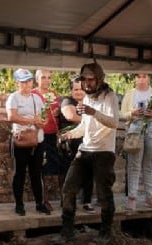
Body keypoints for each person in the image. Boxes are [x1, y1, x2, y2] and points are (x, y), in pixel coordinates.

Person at [55, 62, 120, 245]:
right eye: (84, 79)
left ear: (99, 79)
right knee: (68, 189)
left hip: (104, 152)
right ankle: (67, 231)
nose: (87, 83)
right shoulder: (88, 98)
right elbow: (85, 127)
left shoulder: (109, 97)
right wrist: (70, 134)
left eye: (90, 80)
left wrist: (93, 112)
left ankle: (105, 233)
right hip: (85, 150)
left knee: (103, 194)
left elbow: (114, 123)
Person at [119, 73, 152, 211]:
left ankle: (150, 198)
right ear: (135, 78)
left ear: (149, 78)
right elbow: (122, 114)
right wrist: (132, 113)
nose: (141, 79)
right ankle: (132, 198)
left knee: (149, 166)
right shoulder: (130, 94)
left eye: (144, 76)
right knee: (134, 165)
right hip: (135, 129)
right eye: (138, 76)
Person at [6, 68, 49, 216]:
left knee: (36, 173)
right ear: (17, 82)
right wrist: (32, 120)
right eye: (23, 82)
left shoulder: (37, 98)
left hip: (38, 140)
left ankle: (40, 203)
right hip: (21, 141)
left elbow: (44, 117)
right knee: (19, 173)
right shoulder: (14, 98)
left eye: (29, 81)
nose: (27, 84)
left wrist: (43, 122)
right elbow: (12, 117)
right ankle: (19, 204)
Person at [59, 76, 94, 211]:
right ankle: (68, 202)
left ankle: (87, 201)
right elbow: (70, 116)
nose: (78, 92)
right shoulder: (68, 101)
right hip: (70, 145)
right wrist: (91, 121)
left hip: (87, 143)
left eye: (81, 89)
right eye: (75, 89)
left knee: (89, 172)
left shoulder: (90, 102)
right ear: (71, 90)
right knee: (69, 173)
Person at [34, 69, 63, 208]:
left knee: (58, 165)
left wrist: (57, 113)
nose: (46, 80)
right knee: (42, 167)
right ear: (37, 79)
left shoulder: (54, 94)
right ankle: (44, 200)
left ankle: (64, 198)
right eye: (43, 77)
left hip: (53, 134)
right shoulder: (33, 94)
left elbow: (57, 114)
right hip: (39, 135)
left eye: (49, 77)